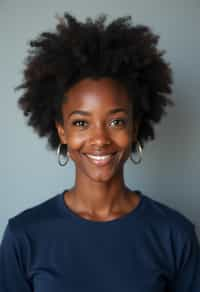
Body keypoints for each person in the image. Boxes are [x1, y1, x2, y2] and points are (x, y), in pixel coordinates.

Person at [0, 12, 199, 291]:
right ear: (62, 131)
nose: (100, 139)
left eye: (116, 121)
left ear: (134, 127)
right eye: (81, 123)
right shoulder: (24, 236)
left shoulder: (174, 234)